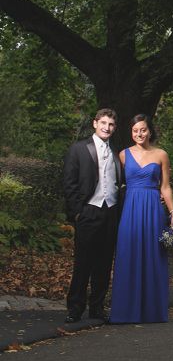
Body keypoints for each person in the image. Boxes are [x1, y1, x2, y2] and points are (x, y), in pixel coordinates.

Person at [109, 115, 173, 323]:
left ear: (150, 131)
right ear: (131, 133)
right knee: (127, 253)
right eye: (135, 131)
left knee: (153, 256)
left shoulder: (161, 155)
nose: (139, 134)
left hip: (153, 210)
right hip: (130, 209)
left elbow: (165, 187)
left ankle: (152, 310)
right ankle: (125, 311)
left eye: (143, 130)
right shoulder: (122, 155)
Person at [63, 108, 124, 323]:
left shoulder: (117, 152)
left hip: (110, 212)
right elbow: (69, 184)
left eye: (111, 125)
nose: (107, 128)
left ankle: (97, 307)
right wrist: (77, 213)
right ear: (95, 123)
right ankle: (75, 308)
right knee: (83, 263)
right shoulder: (79, 149)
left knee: (104, 263)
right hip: (88, 211)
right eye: (104, 123)